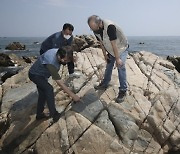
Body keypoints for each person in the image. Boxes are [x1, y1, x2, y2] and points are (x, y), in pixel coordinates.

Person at [28, 47, 80, 122]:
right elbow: (60, 83)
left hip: (43, 75)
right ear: (58, 55)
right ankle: (54, 114)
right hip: (35, 75)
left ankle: (39, 114)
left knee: (42, 94)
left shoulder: (62, 52)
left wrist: (73, 59)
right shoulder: (51, 62)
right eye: (63, 59)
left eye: (66, 60)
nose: (63, 61)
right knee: (49, 89)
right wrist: (73, 96)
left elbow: (68, 57)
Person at [87, 15, 129, 103]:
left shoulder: (110, 27)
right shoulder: (96, 30)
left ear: (99, 23)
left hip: (121, 47)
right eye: (91, 29)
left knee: (120, 66)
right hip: (110, 49)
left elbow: (114, 44)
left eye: (94, 28)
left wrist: (117, 59)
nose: (93, 30)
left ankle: (123, 90)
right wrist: (105, 55)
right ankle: (105, 83)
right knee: (109, 65)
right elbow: (101, 43)